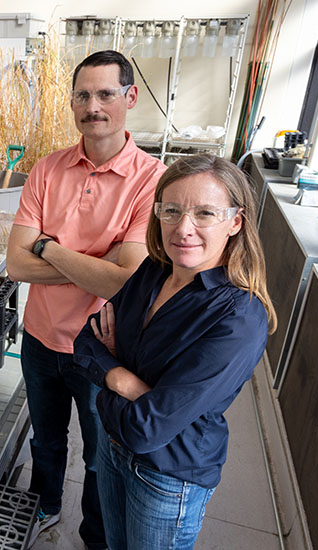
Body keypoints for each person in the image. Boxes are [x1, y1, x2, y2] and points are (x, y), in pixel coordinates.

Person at [73, 154, 277, 549]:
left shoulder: (238, 318)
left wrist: (107, 375)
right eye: (172, 210)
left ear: (236, 221)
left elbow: (147, 428)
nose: (184, 229)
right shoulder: (155, 270)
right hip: (112, 449)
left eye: (205, 213)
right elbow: (84, 342)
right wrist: (125, 380)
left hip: (167, 476)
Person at [6, 50, 166, 549]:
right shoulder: (47, 169)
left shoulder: (152, 180)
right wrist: (100, 260)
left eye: (105, 94)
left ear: (130, 97)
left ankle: (95, 537)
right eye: (82, 95)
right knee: (46, 441)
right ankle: (44, 507)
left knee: (102, 455)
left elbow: (125, 283)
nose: (92, 105)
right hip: (38, 338)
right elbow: (15, 265)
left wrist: (48, 245)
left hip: (100, 349)